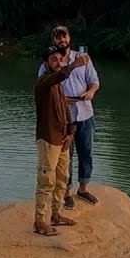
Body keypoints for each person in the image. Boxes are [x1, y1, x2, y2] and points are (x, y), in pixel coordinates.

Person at [37, 25, 101, 210]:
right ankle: (66, 193)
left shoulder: (83, 59)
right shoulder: (49, 63)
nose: (62, 40)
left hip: (84, 112)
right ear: (53, 41)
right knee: (65, 157)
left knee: (86, 152)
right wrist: (61, 100)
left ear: (69, 38)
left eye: (64, 36)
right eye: (58, 37)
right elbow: (43, 88)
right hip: (62, 118)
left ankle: (83, 188)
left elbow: (94, 81)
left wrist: (91, 92)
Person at [33, 46, 88, 236]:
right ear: (45, 63)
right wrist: (73, 66)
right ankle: (40, 222)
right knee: (46, 181)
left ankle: (56, 214)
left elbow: (66, 112)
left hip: (62, 139)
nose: (57, 62)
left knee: (62, 178)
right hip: (48, 139)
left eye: (59, 59)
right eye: (53, 59)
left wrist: (71, 132)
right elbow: (56, 77)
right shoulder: (44, 83)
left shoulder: (58, 86)